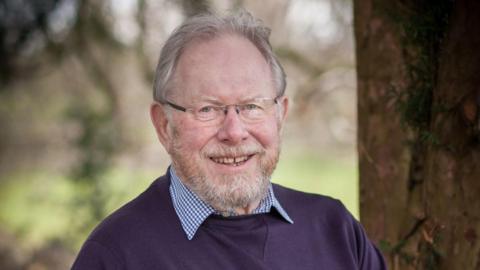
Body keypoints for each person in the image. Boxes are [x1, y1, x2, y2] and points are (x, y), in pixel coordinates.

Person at [71, 10, 386, 270]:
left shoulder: (335, 231)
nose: (234, 133)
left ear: (280, 115)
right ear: (163, 125)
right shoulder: (115, 255)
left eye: (251, 106)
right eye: (207, 109)